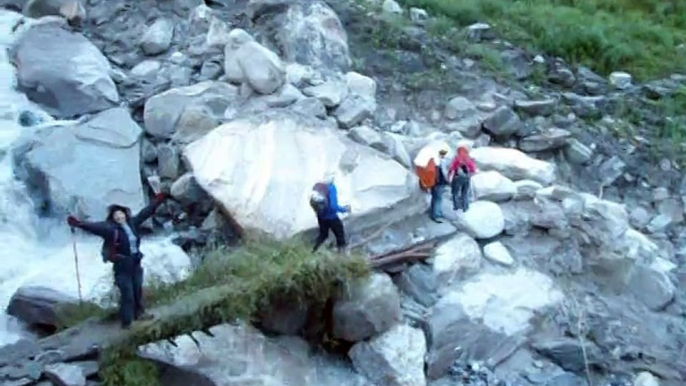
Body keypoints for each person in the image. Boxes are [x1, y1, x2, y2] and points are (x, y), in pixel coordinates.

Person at [66, 193, 168, 329]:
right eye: (116, 216)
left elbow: (146, 212)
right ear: (113, 218)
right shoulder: (109, 229)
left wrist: (158, 201)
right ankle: (126, 323)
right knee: (127, 294)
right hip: (122, 267)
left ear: (125, 214)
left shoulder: (132, 223)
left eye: (121, 214)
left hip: (135, 263)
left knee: (137, 290)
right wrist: (79, 224)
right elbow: (94, 227)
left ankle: (139, 314)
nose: (120, 217)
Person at [310, 173, 351, 253]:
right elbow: (333, 206)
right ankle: (342, 254)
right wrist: (344, 209)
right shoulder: (331, 187)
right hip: (331, 217)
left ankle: (313, 251)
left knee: (323, 235)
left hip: (321, 216)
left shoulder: (319, 186)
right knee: (340, 235)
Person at [448, 146, 478, 212]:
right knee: (465, 193)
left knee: (455, 193)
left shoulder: (457, 158)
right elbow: (474, 170)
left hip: (457, 178)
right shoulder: (469, 159)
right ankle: (465, 207)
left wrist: (449, 177)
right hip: (467, 178)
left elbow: (452, 168)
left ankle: (456, 207)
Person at [430, 145, 451, 223]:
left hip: (433, 182)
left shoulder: (433, 161)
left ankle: (435, 213)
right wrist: (448, 181)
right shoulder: (442, 162)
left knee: (435, 198)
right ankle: (436, 215)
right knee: (438, 199)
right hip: (439, 182)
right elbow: (444, 173)